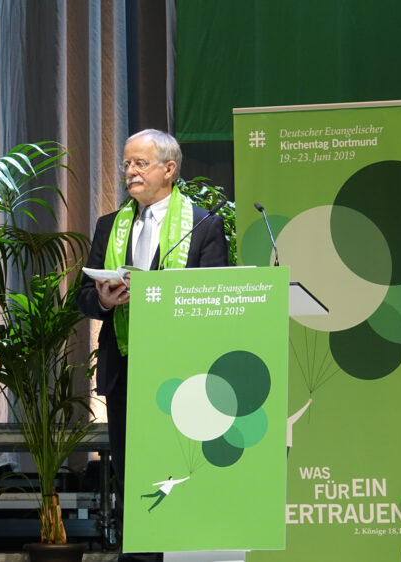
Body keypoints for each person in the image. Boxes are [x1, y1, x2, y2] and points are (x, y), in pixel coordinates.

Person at [78, 129, 228, 561]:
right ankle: (138, 554)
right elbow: (83, 298)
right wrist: (104, 299)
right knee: (132, 474)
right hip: (125, 368)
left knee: (177, 469)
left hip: (181, 372)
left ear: (169, 168)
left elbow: (216, 299)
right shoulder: (110, 225)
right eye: (126, 163)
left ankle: (180, 550)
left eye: (140, 163)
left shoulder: (203, 224)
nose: (130, 171)